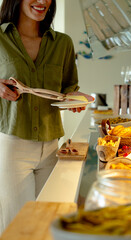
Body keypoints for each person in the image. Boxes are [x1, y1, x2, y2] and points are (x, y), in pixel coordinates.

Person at [0, 0, 93, 233]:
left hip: (52, 147)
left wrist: (75, 99)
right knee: (19, 226)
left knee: (50, 225)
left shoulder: (63, 43)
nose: (43, 2)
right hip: (13, 146)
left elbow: (68, 87)